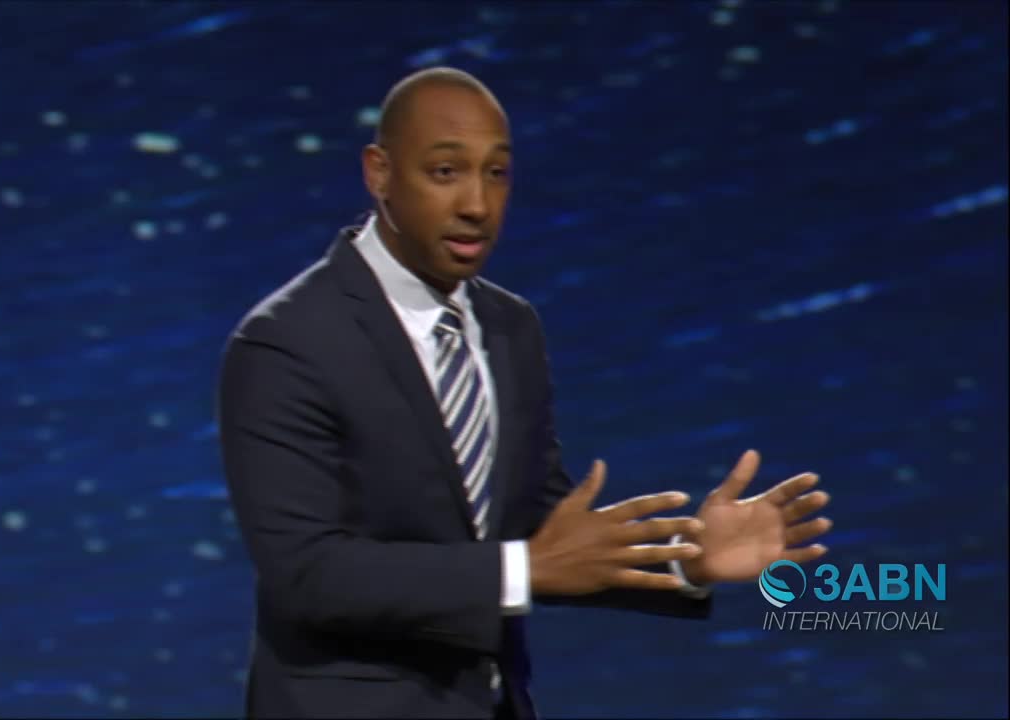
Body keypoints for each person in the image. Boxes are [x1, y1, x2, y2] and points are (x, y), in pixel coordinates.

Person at [216, 66, 833, 719]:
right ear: (379, 173)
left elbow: (540, 529)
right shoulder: (286, 342)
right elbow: (308, 575)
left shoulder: (511, 327)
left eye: (497, 173)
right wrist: (522, 571)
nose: (477, 205)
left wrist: (686, 559)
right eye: (446, 172)